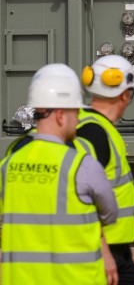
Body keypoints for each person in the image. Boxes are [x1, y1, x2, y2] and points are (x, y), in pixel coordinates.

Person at [0, 64, 119, 284]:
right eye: (76, 112)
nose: (78, 120)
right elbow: (111, 215)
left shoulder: (8, 165)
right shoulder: (82, 166)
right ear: (61, 115)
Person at [79, 55, 134, 284]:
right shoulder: (93, 132)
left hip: (112, 247)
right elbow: (81, 196)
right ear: (125, 95)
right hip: (102, 248)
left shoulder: (93, 126)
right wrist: (102, 249)